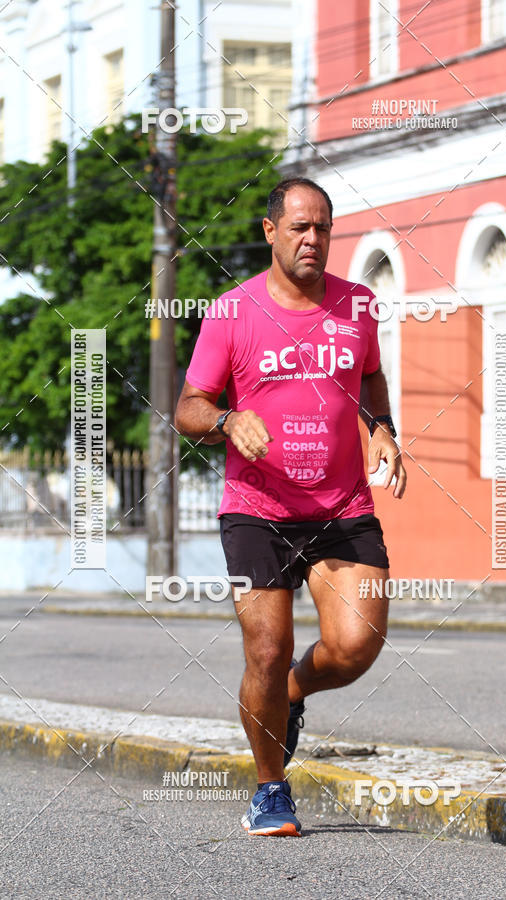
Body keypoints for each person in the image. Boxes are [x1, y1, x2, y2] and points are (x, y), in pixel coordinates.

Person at [175, 176, 407, 837]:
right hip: (258, 508)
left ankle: (295, 695)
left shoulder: (358, 306)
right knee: (267, 651)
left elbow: (367, 374)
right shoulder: (232, 312)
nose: (313, 239)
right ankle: (270, 789)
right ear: (271, 231)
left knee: (357, 645)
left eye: (324, 228)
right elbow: (187, 407)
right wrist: (225, 421)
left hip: (341, 507)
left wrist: (382, 426)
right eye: (300, 227)